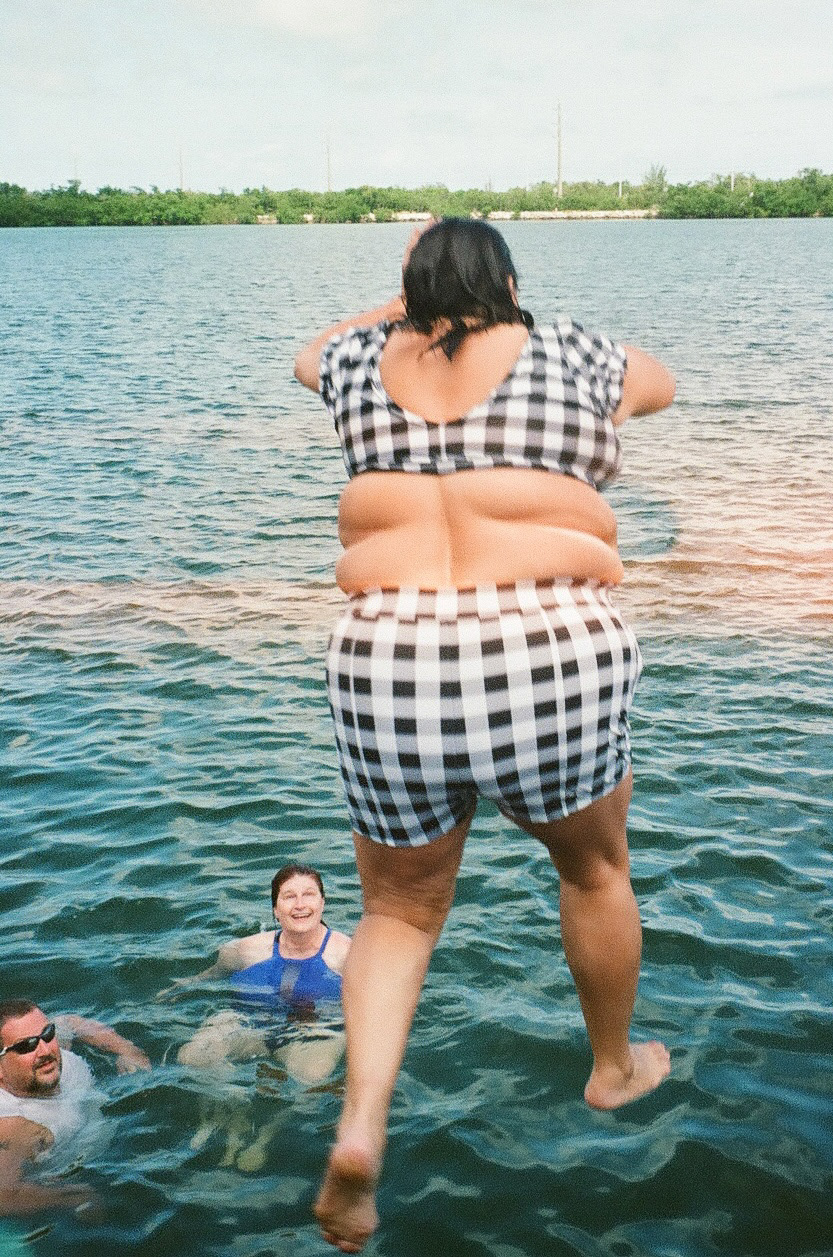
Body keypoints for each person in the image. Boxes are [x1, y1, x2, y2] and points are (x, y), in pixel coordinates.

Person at [293, 217, 676, 1251]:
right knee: (593, 870)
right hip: (547, 645)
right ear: (507, 282)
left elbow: (306, 354)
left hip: (387, 655)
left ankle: (360, 1127)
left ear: (410, 290)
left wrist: (396, 312)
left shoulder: (355, 364)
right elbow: (660, 382)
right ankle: (610, 1068)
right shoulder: (573, 352)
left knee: (396, 912)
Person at [175, 864, 351, 1085]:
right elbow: (207, 977)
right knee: (193, 1057)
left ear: (322, 903)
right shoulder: (243, 951)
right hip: (249, 1022)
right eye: (289, 896)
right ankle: (233, 1097)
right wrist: (176, 990)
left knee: (311, 1077)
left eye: (308, 894)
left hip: (317, 1029)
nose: (300, 905)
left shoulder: (348, 955)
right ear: (275, 909)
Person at [0, 1000, 150, 1216]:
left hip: (114, 1159)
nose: (45, 1050)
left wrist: (126, 1049)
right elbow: (4, 1197)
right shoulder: (17, 1125)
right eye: (26, 1046)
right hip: (65, 1193)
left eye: (47, 1033)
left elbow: (69, 1022)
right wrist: (74, 1197)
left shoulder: (51, 1056)